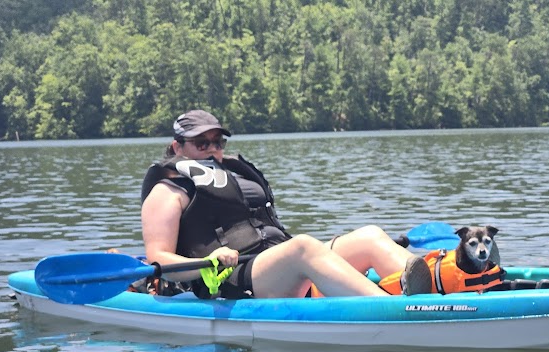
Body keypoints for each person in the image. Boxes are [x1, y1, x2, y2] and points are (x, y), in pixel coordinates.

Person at [140, 109, 431, 299]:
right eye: (201, 144)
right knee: (302, 247)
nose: (213, 149)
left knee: (369, 236)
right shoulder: (168, 190)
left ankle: (435, 300)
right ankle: (395, 312)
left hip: (276, 261)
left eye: (218, 142)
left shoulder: (234, 174)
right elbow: (159, 260)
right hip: (234, 276)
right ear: (178, 147)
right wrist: (211, 262)